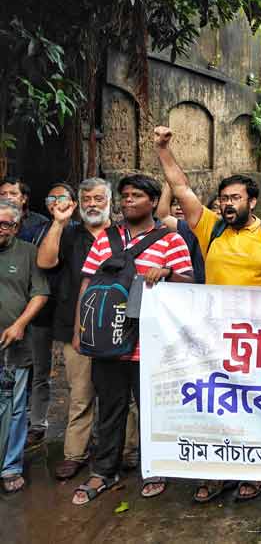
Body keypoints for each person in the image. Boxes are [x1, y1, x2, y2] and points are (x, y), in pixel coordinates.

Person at [154, 125, 261, 503]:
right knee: (216, 406)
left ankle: (253, 472)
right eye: (223, 198)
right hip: (214, 337)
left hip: (258, 341)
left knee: (256, 407)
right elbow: (182, 188)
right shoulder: (209, 228)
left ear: (253, 201)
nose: (228, 203)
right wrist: (163, 150)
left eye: (235, 197)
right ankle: (216, 471)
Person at [71, 174, 194, 504]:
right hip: (107, 342)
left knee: (151, 410)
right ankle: (103, 472)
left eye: (136, 195)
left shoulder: (170, 240)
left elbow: (190, 284)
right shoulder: (105, 239)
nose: (127, 201)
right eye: (124, 196)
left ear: (153, 202)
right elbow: (87, 286)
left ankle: (153, 468)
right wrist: (79, 330)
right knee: (109, 409)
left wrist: (168, 273)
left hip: (150, 344)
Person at [36, 178, 139, 480]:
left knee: (124, 395)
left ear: (110, 201)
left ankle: (127, 450)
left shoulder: (124, 235)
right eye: (87, 199)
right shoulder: (68, 235)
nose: (92, 204)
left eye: (98, 198)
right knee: (81, 394)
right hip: (75, 326)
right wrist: (58, 223)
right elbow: (45, 262)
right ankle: (75, 453)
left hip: (121, 326)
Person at [0, 199, 49, 494]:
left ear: (16, 226)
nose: (0, 228)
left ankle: (10, 466)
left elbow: (40, 293)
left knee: (15, 408)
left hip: (13, 347)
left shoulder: (29, 253)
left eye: (5, 223)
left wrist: (20, 324)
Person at [23, 182, 77, 450]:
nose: (56, 201)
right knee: (40, 369)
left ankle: (76, 429)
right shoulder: (37, 230)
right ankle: (38, 423)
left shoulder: (81, 231)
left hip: (71, 310)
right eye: (51, 197)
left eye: (62, 197)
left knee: (77, 376)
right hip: (42, 308)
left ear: (73, 203)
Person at [156, 182, 206, 283]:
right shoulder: (158, 230)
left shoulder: (201, 227)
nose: (179, 207)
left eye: (183, 203)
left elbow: (163, 216)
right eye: (174, 204)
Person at [0, 176, 49, 242]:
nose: (7, 197)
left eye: (13, 194)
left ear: (24, 198)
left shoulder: (40, 222)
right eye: (2, 194)